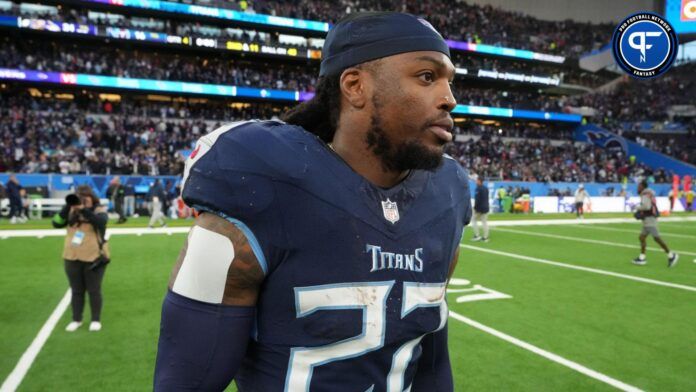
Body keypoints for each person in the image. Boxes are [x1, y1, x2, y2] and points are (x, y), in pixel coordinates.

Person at [154, 11, 470, 391]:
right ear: (355, 85)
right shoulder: (265, 183)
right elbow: (185, 382)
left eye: (450, 81)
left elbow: (432, 368)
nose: (449, 99)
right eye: (427, 77)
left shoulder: (445, 194)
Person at [52, 185, 110, 332]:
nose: (81, 201)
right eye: (79, 198)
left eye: (85, 198)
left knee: (94, 290)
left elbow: (101, 222)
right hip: (71, 256)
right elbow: (56, 223)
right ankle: (76, 319)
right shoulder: (71, 211)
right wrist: (68, 207)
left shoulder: (98, 209)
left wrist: (84, 209)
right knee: (76, 290)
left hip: (94, 257)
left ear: (92, 198)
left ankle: (95, 319)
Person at [632, 180, 678, 267]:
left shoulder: (645, 194)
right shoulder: (649, 193)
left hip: (650, 219)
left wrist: (636, 207)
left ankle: (671, 255)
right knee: (642, 237)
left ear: (642, 186)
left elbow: (646, 207)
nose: (637, 188)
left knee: (657, 238)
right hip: (648, 219)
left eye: (639, 186)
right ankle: (642, 258)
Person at [471, 176, 490, 242]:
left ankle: (477, 235)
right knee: (484, 222)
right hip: (486, 207)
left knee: (473, 220)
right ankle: (485, 237)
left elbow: (478, 200)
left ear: (479, 181)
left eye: (477, 180)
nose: (476, 181)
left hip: (479, 208)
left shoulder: (478, 189)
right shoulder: (486, 188)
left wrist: (475, 208)